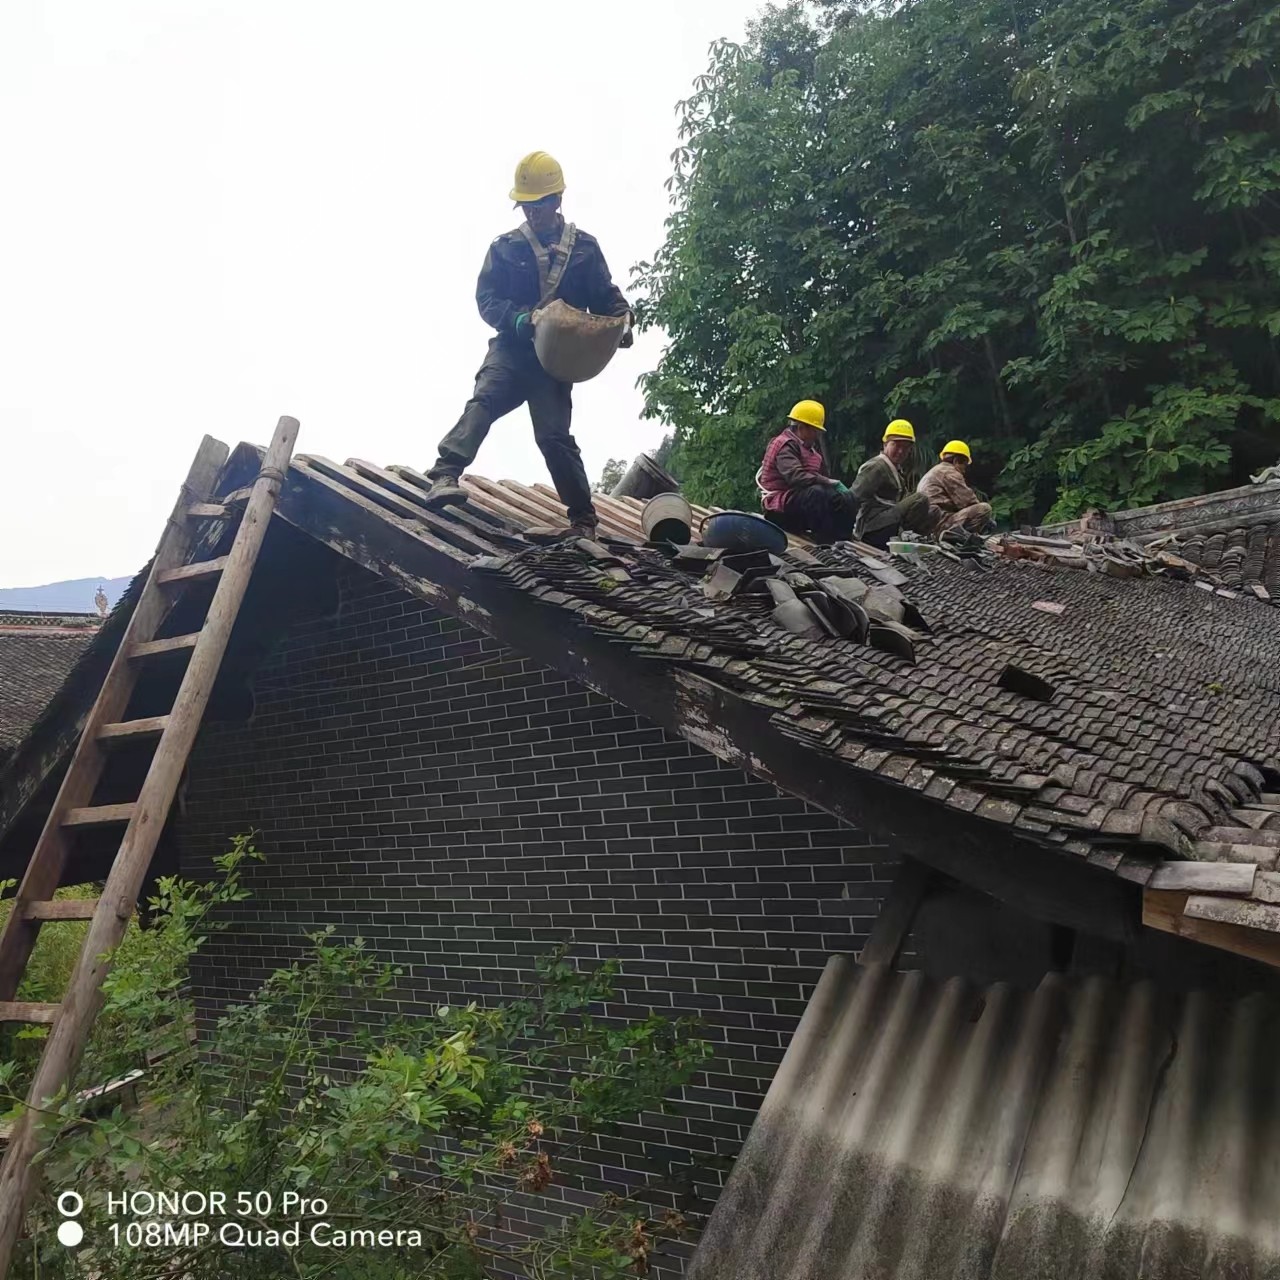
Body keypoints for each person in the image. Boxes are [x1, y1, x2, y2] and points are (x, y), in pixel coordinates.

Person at [423, 151, 633, 536]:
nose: (532, 214)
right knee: (485, 398)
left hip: (555, 359)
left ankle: (583, 519)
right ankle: (444, 474)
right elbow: (487, 298)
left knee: (553, 435)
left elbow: (607, 297)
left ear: (556, 201)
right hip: (513, 349)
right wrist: (517, 319)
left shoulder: (584, 250)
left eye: (538, 206)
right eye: (526, 207)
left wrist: (622, 323)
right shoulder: (506, 247)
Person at [756, 400, 858, 543]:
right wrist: (828, 482)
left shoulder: (812, 452)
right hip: (780, 510)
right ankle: (824, 542)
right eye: (814, 430)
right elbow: (796, 477)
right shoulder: (784, 445)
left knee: (845, 497)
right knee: (817, 493)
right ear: (801, 427)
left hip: (802, 506)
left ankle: (843, 540)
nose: (816, 435)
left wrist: (839, 493)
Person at [852, 420, 934, 549]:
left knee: (934, 511)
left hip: (888, 522)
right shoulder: (877, 466)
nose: (901, 451)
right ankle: (903, 535)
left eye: (906, 447)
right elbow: (853, 497)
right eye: (896, 445)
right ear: (885, 444)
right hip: (871, 527)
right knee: (920, 499)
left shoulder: (896, 469)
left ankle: (910, 538)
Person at [917, 440, 994, 535]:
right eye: (964, 466)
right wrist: (987, 520)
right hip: (940, 524)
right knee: (984, 509)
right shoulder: (949, 472)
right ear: (956, 461)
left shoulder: (934, 471)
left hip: (928, 524)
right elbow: (968, 501)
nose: (964, 471)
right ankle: (960, 538)